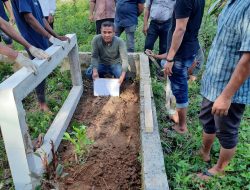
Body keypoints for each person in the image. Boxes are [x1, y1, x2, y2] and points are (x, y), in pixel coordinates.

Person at [197, 0, 250, 180]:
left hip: (229, 89)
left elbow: (248, 58)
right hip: (213, 82)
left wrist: (226, 96)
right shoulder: (230, 3)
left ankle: (219, 170)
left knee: (226, 130)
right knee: (207, 119)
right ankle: (204, 152)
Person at [11, 0, 69, 111]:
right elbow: (29, 18)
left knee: (44, 68)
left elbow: (42, 19)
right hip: (32, 40)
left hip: (41, 37)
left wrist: (55, 36)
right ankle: (42, 104)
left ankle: (42, 100)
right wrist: (48, 36)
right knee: (39, 70)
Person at [162, 0, 205, 134]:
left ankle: (181, 126)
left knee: (180, 89)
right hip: (190, 47)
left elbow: (180, 29)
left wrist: (170, 57)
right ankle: (172, 112)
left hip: (180, 52)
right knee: (177, 84)